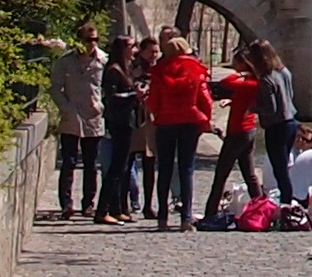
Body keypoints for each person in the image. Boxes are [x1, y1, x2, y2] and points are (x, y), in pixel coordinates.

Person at [144, 29, 217, 228]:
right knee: (186, 168)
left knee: (165, 169)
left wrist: (158, 112)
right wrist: (206, 120)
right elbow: (206, 100)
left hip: (166, 122)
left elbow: (153, 103)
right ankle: (186, 218)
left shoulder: (159, 72)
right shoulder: (196, 70)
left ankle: (162, 218)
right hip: (190, 122)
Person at [204, 49, 272, 218]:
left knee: (221, 173)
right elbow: (243, 98)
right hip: (248, 131)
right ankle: (261, 208)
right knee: (249, 175)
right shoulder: (253, 83)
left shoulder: (249, 83)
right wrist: (232, 101)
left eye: (236, 63)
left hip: (238, 132)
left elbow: (226, 82)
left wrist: (241, 73)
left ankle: (210, 212)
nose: (233, 66)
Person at [48, 28, 107, 217]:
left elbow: (110, 85)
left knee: (91, 163)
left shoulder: (103, 61)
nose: (92, 43)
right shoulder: (65, 61)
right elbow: (55, 87)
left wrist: (101, 105)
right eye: (89, 40)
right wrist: (66, 107)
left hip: (92, 116)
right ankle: (66, 203)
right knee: (69, 161)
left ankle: (88, 203)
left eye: (95, 40)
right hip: (71, 116)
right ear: (79, 40)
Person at [96, 38, 146, 223]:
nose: (134, 50)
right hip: (119, 122)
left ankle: (117, 209)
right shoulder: (113, 70)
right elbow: (111, 96)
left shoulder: (126, 69)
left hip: (127, 121)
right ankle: (102, 210)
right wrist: (134, 94)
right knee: (116, 167)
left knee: (123, 166)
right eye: (131, 46)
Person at [257, 43, 301, 202]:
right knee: (284, 168)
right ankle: (287, 201)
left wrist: (251, 107)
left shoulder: (266, 79)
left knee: (280, 170)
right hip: (291, 122)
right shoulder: (284, 72)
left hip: (276, 127)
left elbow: (270, 109)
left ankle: (286, 204)